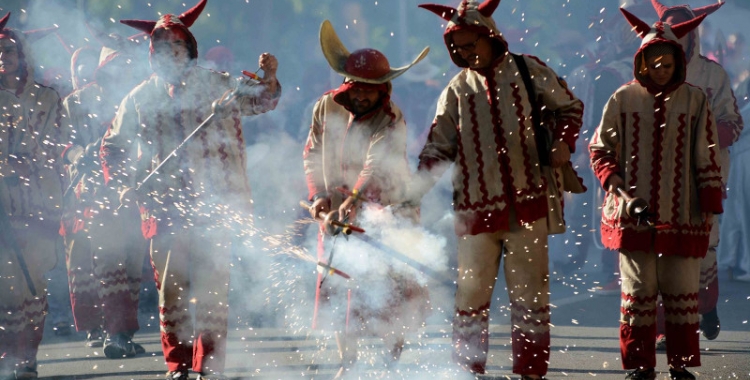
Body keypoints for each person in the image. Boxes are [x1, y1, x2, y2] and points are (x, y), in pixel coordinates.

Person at [101, 0, 281, 378]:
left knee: (213, 292)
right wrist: (121, 183)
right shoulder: (138, 97)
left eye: (178, 47)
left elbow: (264, 101)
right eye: (164, 48)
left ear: (190, 51)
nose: (172, 54)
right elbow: (112, 146)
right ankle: (177, 365)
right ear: (153, 55)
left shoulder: (219, 86)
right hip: (163, 207)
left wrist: (269, 76)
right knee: (173, 292)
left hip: (215, 206)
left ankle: (209, 367)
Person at [412, 0, 585, 378]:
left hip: (529, 204)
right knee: (470, 299)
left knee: (531, 299)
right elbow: (437, 149)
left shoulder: (529, 70)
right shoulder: (455, 90)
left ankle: (531, 373)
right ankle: (467, 372)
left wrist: (562, 144)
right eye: (456, 47)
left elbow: (570, 108)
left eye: (470, 44)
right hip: (475, 211)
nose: (463, 53)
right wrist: (410, 192)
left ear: (490, 38)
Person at [589, 9, 723, 380]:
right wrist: (614, 182)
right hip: (631, 216)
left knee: (681, 295)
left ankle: (680, 365)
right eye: (653, 62)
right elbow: (600, 149)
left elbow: (706, 154)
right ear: (642, 62)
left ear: (678, 61)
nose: (661, 68)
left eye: (667, 62)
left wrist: (709, 204)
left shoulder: (695, 100)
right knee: (638, 296)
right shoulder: (621, 98)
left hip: (685, 214)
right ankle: (639, 365)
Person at [304, 20, 431, 379]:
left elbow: (375, 163)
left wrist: (354, 198)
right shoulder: (325, 107)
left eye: (369, 90)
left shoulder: (392, 118)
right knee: (341, 284)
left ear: (383, 90)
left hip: (388, 210)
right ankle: (349, 363)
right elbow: (312, 152)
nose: (361, 96)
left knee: (394, 289)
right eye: (356, 87)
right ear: (346, 84)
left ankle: (392, 363)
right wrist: (317, 196)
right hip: (337, 210)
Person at [648, 0, 744, 350]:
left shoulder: (712, 75)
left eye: (683, 34)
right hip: (657, 182)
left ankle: (707, 306)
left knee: (703, 250)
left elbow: (733, 122)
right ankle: (663, 330)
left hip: (704, 179)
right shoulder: (649, 71)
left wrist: (699, 134)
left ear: (693, 37)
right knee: (660, 255)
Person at [60, 32, 150, 356]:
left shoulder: (140, 99)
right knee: (109, 264)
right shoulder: (75, 102)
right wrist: (78, 153)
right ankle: (115, 334)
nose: (120, 72)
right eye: (114, 65)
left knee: (132, 266)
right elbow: (61, 144)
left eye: (126, 65)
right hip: (93, 195)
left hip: (132, 191)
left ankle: (121, 331)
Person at [0, 13, 67, 380]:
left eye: (8, 50)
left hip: (39, 202)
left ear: (22, 55)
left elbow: (56, 146)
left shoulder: (47, 98)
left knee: (32, 285)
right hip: (1, 210)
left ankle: (25, 358)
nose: (2, 57)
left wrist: (28, 166)